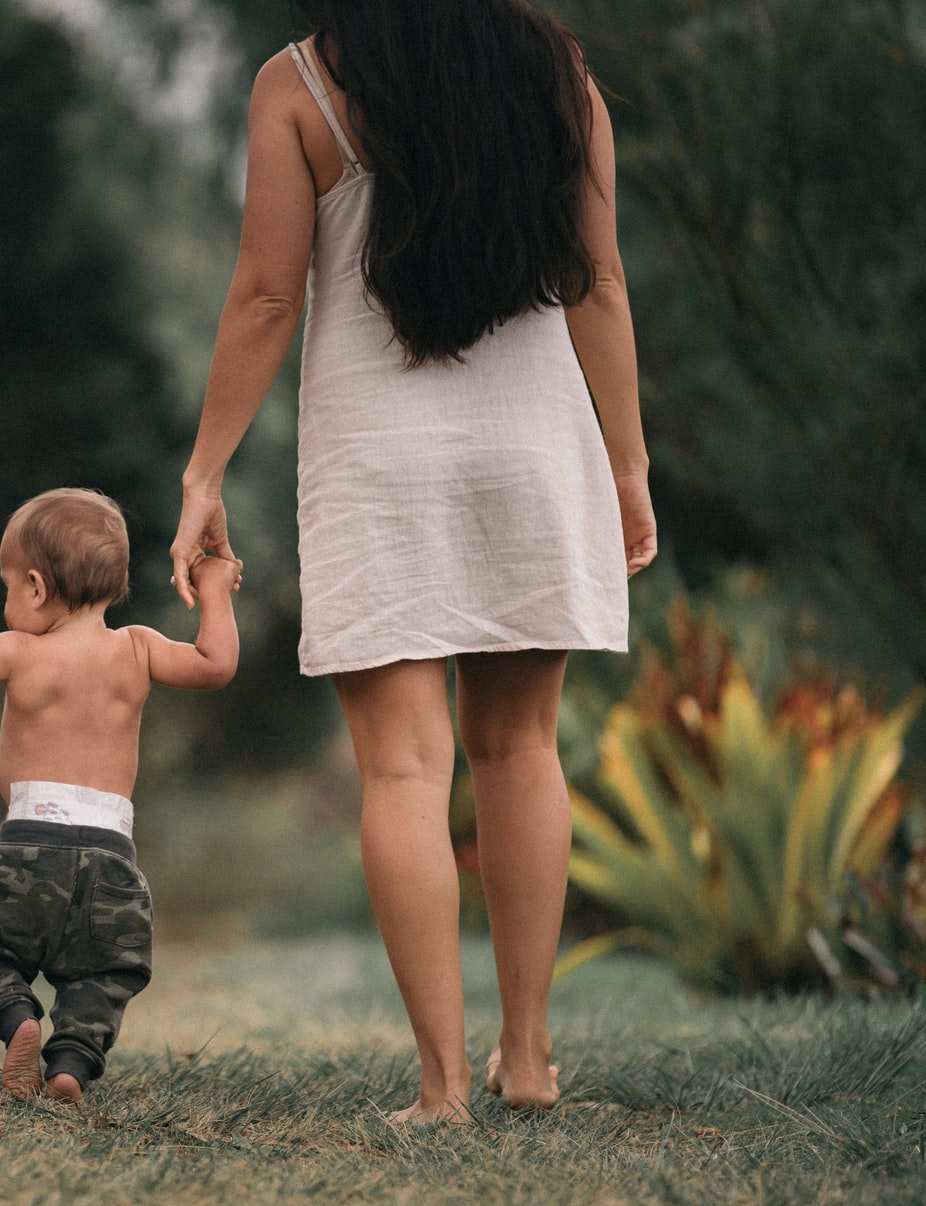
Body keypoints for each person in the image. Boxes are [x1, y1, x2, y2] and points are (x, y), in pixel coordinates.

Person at [170, 0, 657, 1121]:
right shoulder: (558, 74)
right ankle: (527, 1061)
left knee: (401, 769)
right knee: (521, 746)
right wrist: (627, 463)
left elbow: (265, 295)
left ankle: (442, 1087)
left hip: (379, 460)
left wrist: (205, 472)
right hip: (537, 447)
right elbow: (601, 280)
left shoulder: (298, 83)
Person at [0, 489, 240, 1101]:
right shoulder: (139, 648)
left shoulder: (22, 651)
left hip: (26, 849)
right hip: (113, 862)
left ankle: (18, 1019)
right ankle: (70, 1066)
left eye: (8, 587)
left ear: (36, 587)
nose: (8, 601)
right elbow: (215, 664)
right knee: (103, 976)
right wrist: (214, 587)